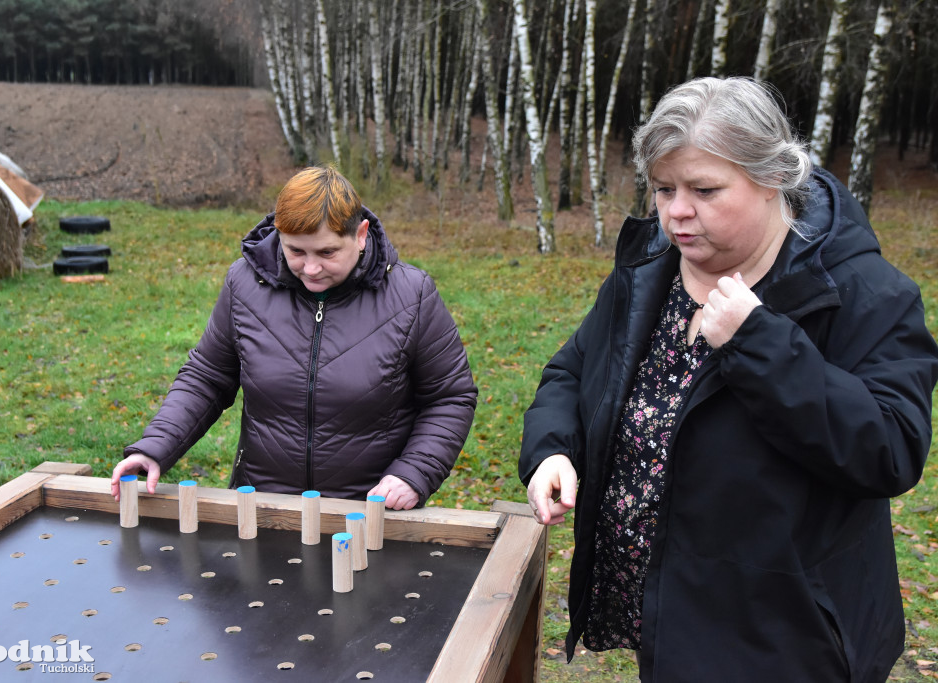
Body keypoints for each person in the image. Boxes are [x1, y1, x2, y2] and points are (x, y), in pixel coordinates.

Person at [520, 77, 938, 682]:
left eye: (705, 189)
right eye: (663, 189)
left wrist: (760, 340)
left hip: (784, 644)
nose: (676, 212)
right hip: (664, 616)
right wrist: (554, 449)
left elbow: (891, 450)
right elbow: (573, 370)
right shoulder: (648, 276)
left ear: (772, 178)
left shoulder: (863, 295)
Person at [112, 165, 477, 510]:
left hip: (368, 511)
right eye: (296, 251)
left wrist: (413, 474)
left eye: (327, 252)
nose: (311, 268)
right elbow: (207, 377)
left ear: (361, 235)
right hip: (259, 506)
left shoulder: (412, 295)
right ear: (278, 236)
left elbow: (450, 397)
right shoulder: (244, 285)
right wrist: (155, 447)